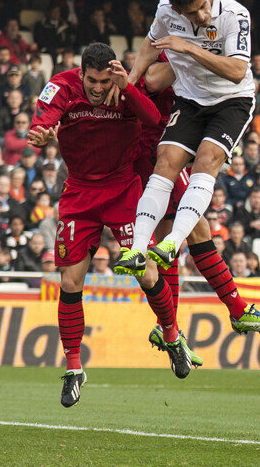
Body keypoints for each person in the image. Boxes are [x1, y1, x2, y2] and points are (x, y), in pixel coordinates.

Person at [28, 42, 198, 406]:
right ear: (82, 73)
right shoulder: (63, 86)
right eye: (92, 80)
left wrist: (129, 86)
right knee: (71, 281)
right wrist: (41, 132)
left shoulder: (124, 90)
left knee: (146, 273)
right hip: (79, 194)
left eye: (105, 81)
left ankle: (171, 334)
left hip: (123, 190)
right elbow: (44, 117)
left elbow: (155, 120)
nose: (99, 88)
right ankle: (74, 368)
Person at [115, 0, 260, 331]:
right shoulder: (166, 10)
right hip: (190, 102)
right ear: (176, 9)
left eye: (203, 7)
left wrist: (187, 47)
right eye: (191, 14)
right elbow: (150, 43)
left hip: (230, 102)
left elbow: (238, 71)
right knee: (167, 162)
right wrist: (130, 81)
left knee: (206, 162)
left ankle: (172, 248)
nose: (201, 17)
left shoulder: (234, 15)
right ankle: (139, 249)